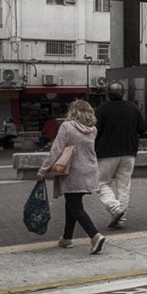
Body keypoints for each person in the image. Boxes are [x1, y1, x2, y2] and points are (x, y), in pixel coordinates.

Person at [35, 98, 105, 254]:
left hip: (73, 172)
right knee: (72, 204)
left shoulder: (67, 127)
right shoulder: (92, 129)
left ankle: (94, 235)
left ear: (73, 111)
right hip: (89, 170)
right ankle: (66, 238)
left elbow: (56, 150)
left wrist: (43, 170)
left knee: (75, 206)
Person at [94, 81, 146, 229]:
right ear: (123, 93)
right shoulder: (132, 108)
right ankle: (121, 219)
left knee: (102, 183)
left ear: (107, 94)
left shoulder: (102, 109)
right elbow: (142, 128)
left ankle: (114, 208)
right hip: (129, 152)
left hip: (107, 153)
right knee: (124, 186)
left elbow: (95, 132)